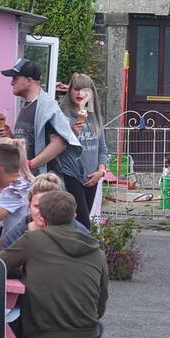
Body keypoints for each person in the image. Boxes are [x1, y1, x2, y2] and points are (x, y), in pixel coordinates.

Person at [0, 190, 107, 338]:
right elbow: (100, 305)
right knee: (98, 329)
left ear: (43, 218)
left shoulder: (33, 240)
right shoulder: (97, 251)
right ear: (76, 214)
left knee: (9, 323)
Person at [0, 58, 86, 223]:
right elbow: (31, 141)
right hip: (32, 183)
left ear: (29, 81)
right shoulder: (27, 105)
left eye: (15, 78)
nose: (11, 82)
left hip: (46, 184)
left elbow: (59, 143)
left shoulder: (46, 106)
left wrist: (30, 165)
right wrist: (11, 136)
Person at [61, 73, 108, 228]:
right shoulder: (63, 116)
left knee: (83, 219)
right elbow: (58, 147)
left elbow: (102, 149)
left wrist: (101, 171)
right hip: (71, 175)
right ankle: (84, 250)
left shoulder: (96, 118)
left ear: (91, 93)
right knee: (82, 223)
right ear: (70, 91)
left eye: (84, 90)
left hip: (92, 176)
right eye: (76, 89)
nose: (80, 94)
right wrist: (72, 132)